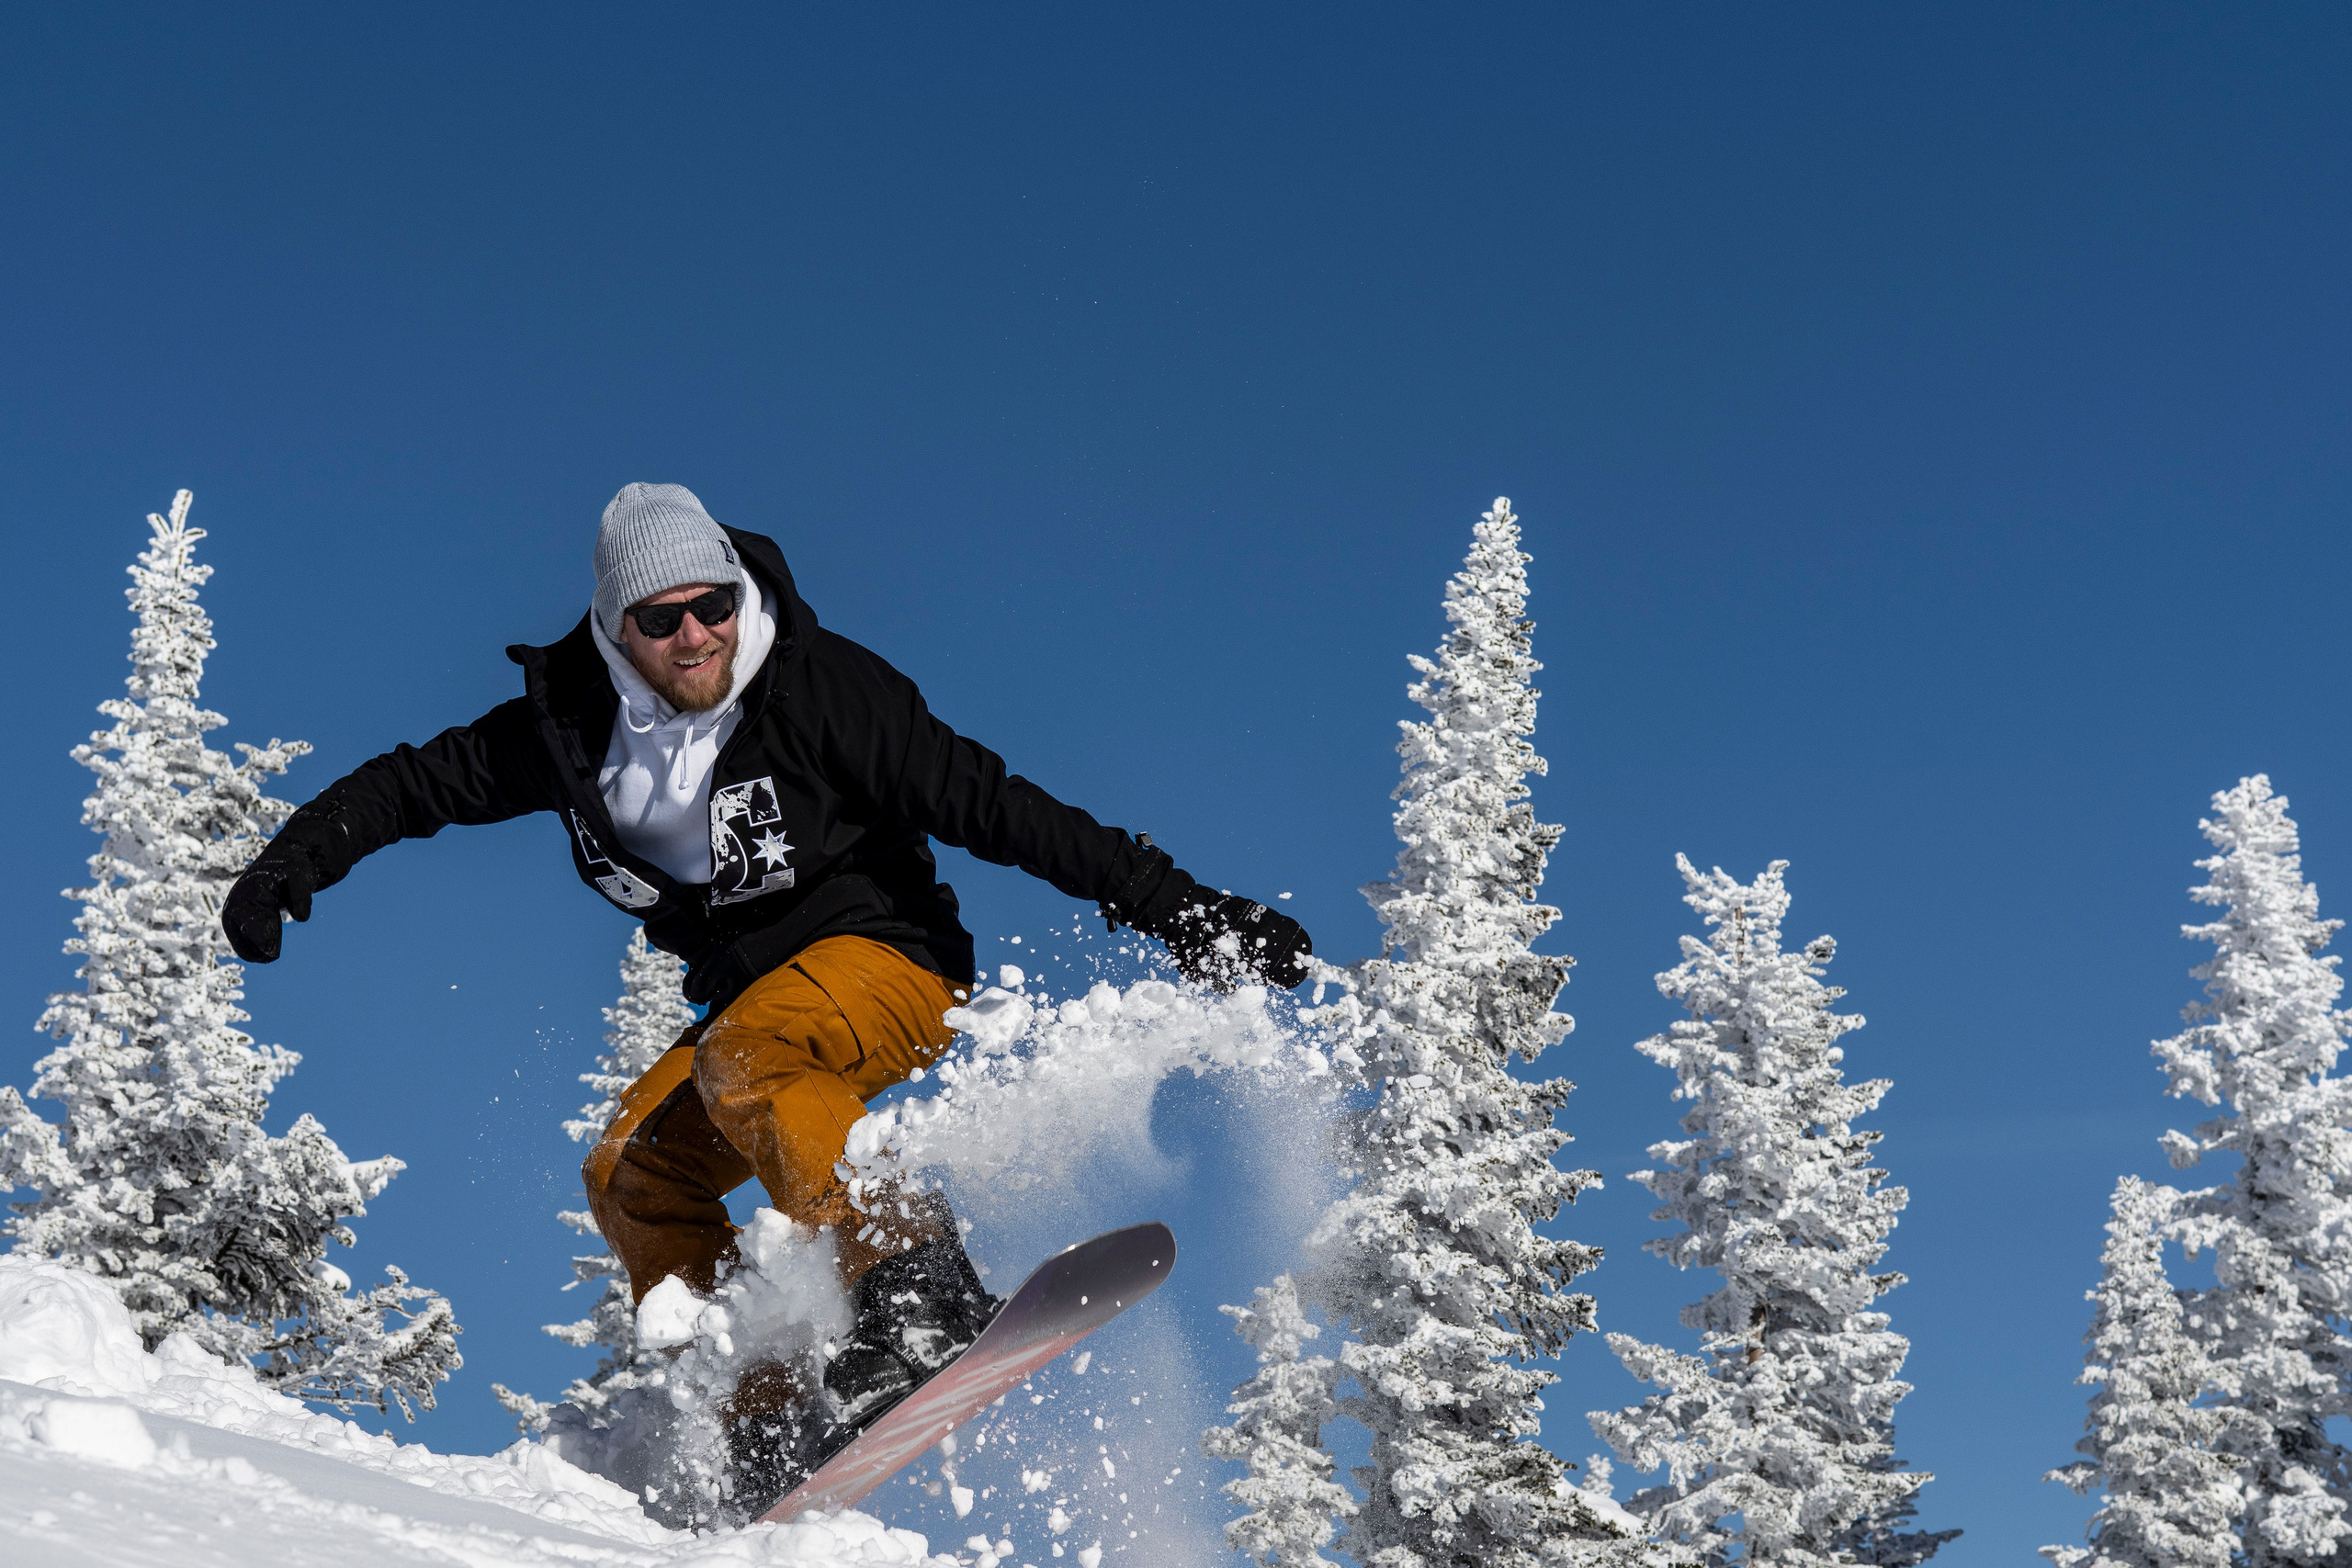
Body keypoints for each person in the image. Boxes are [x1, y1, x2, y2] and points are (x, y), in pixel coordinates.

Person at [221, 482, 1310, 1499]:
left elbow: (1000, 806)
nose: (696, 637)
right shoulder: (566, 737)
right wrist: (288, 863)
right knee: (629, 1171)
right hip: (748, 1012)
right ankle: (769, 1408)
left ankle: (917, 1286)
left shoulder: (822, 692)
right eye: (662, 620)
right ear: (614, 631)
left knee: (750, 1056)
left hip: (889, 961)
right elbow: (412, 782)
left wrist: (1188, 913)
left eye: (714, 606)